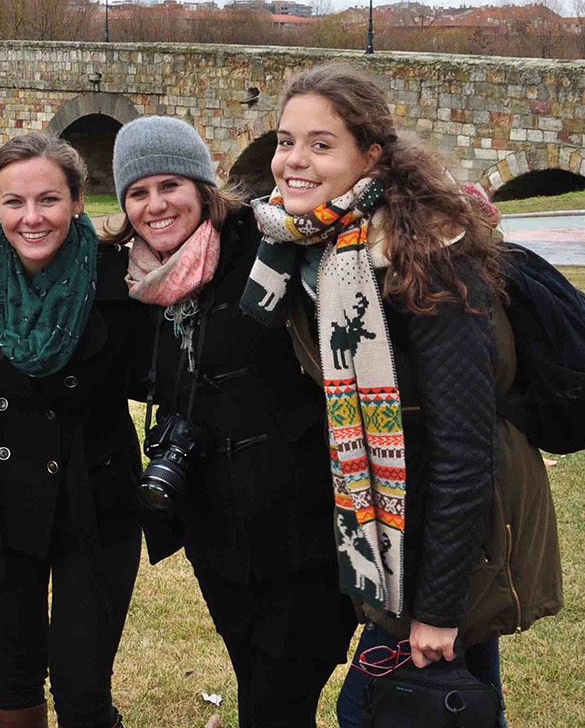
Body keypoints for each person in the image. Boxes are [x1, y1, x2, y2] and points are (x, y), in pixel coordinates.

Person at [234, 63, 559, 727]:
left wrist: (438, 606)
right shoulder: (310, 243)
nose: (293, 161)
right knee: (446, 708)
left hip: (454, 538)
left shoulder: (426, 260)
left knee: (378, 709)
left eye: (321, 145)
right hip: (398, 533)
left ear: (371, 156)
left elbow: (465, 451)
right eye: (286, 140)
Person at [109, 115, 355, 726]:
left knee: (277, 698)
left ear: (203, 186)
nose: (155, 205)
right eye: (138, 192)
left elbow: (352, 214)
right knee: (258, 684)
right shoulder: (135, 283)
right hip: (219, 539)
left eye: (171, 186)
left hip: (307, 535)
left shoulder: (269, 243)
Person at [0, 133, 144, 728]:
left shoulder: (123, 273)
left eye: (48, 200)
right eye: (14, 203)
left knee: (82, 682)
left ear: (78, 201)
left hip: (96, 495)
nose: (31, 218)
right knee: (13, 676)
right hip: (1, 495)